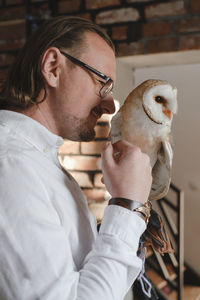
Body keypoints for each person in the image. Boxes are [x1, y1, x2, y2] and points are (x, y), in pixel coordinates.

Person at [0, 16, 152, 300]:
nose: (108, 105)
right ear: (53, 68)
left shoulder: (38, 162)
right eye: (102, 82)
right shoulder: (9, 165)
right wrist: (127, 205)